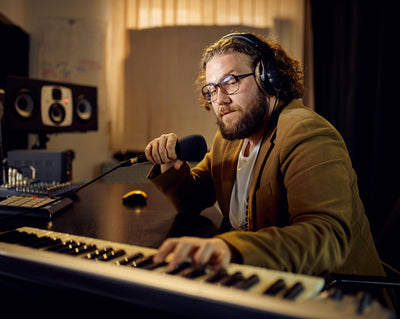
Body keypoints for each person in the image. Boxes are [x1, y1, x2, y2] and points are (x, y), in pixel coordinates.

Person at [144, 33, 386, 283]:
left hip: (335, 292)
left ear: (268, 78)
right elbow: (192, 200)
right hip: (264, 279)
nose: (220, 100)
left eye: (231, 81)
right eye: (212, 89)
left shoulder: (307, 133)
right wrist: (170, 165)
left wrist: (233, 248)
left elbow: (327, 237)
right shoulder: (229, 139)